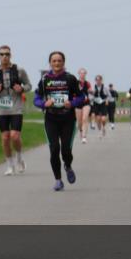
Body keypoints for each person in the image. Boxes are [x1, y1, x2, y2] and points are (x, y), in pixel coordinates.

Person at [35, 52, 85, 191]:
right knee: (54, 149)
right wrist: (44, 104)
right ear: (50, 63)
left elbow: (81, 97)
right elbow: (36, 98)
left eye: (59, 60)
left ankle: (67, 165)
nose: (56, 63)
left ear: (63, 62)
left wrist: (72, 103)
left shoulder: (70, 78)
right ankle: (58, 180)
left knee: (66, 149)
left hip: (67, 119)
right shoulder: (45, 80)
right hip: (51, 119)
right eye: (54, 61)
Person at [0, 45, 32, 176]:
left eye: (7, 54)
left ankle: (19, 158)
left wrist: (22, 89)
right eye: (2, 54)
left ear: (10, 55)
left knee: (15, 136)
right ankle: (10, 165)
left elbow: (29, 85)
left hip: (16, 108)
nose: (4, 56)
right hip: (1, 110)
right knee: (5, 138)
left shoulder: (20, 71)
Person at [76, 67, 92, 143]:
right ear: (79, 74)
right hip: (78, 103)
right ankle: (81, 131)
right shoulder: (75, 83)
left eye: (84, 73)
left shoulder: (87, 83)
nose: (82, 74)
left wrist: (91, 91)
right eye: (81, 73)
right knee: (79, 122)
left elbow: (90, 90)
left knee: (85, 118)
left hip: (86, 103)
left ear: (85, 74)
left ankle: (84, 136)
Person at [91, 74, 110, 139]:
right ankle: (100, 131)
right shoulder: (93, 88)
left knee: (103, 119)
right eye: (97, 80)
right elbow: (90, 96)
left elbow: (109, 96)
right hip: (96, 104)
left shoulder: (105, 88)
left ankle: (103, 127)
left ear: (101, 80)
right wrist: (92, 98)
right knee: (98, 119)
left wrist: (107, 100)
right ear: (95, 81)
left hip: (103, 103)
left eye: (99, 80)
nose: (98, 81)